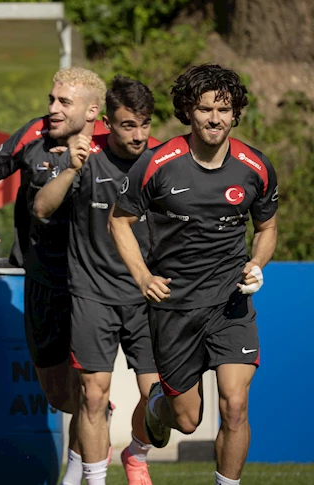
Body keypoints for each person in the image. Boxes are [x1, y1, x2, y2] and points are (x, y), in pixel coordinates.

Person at [109, 64, 278, 485]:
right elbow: (119, 220)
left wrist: (257, 264)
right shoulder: (157, 163)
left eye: (223, 109)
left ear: (236, 112)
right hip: (175, 307)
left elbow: (268, 228)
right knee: (185, 421)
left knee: (235, 405)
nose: (215, 119)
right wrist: (143, 277)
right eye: (204, 109)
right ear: (189, 111)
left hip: (230, 303)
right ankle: (153, 411)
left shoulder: (254, 166)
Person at [0, 67, 107, 485]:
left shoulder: (111, 145)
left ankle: (81, 474)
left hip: (93, 284)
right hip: (41, 278)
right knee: (59, 396)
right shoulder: (32, 135)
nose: (53, 109)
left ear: (92, 110)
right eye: (51, 99)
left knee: (91, 392)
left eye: (64, 102)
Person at [32, 76, 161, 484]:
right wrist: (71, 169)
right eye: (127, 125)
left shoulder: (162, 162)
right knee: (91, 395)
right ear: (107, 121)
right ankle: (94, 479)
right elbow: (41, 207)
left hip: (147, 297)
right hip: (91, 295)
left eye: (144, 124)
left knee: (162, 398)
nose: (138, 135)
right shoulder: (86, 157)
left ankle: (136, 452)